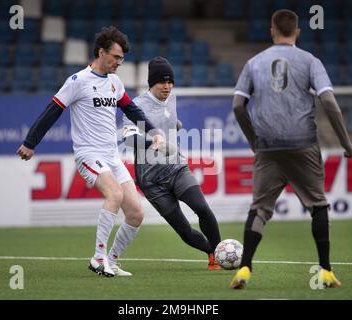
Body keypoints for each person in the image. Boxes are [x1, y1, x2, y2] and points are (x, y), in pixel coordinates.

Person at [17, 26, 165, 277]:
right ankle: (98, 258)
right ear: (101, 52)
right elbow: (52, 111)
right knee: (114, 195)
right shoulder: (77, 81)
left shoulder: (115, 83)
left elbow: (132, 111)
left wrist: (154, 133)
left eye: (122, 58)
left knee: (136, 213)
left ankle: (112, 261)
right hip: (88, 154)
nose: (120, 62)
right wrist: (31, 143)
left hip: (111, 156)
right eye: (116, 57)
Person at [230, 9, 352, 289]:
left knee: (260, 209)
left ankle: (245, 269)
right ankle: (325, 271)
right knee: (318, 204)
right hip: (303, 144)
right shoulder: (310, 61)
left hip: (268, 147)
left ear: (272, 30)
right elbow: (330, 103)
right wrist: (346, 144)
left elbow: (238, 106)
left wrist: (254, 141)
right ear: (297, 32)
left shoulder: (253, 63)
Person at [122, 56, 222, 270]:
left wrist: (174, 126)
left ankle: (221, 254)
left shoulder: (172, 98)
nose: (167, 87)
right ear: (152, 83)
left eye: (170, 82)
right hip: (151, 182)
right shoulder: (136, 106)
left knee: (202, 208)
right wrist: (154, 142)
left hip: (176, 169)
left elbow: (168, 121)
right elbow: (129, 138)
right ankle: (211, 252)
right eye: (162, 82)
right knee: (184, 231)